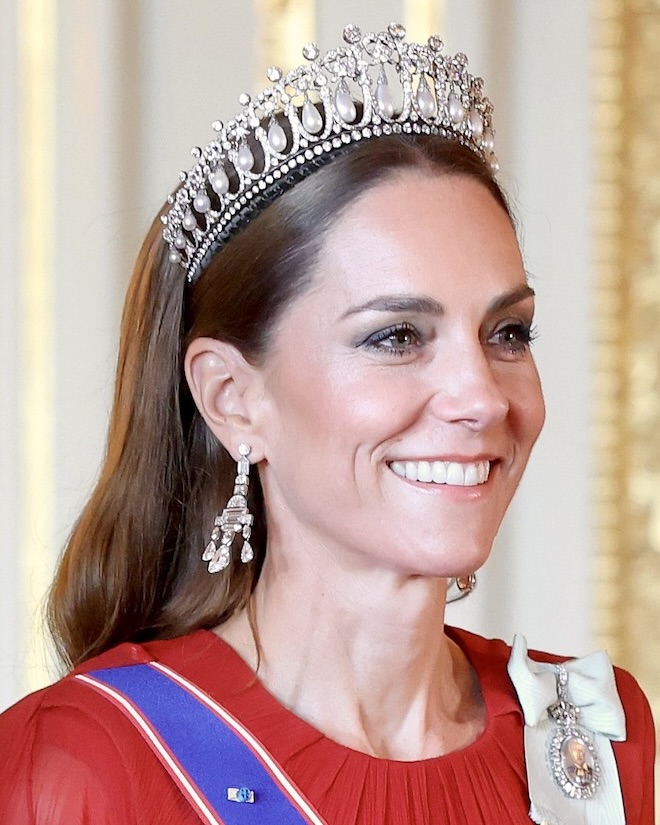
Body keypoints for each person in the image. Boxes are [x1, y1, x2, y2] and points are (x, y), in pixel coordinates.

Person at [0, 23, 654, 825]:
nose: (483, 397)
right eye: (397, 336)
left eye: (507, 332)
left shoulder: (590, 741)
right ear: (232, 397)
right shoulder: (87, 764)